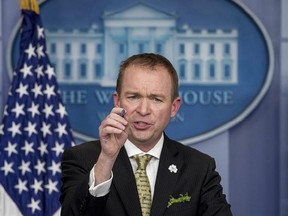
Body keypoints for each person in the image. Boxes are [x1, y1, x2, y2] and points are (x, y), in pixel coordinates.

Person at [60, 53, 232, 216]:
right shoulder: (81, 158)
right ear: (117, 101)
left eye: (156, 99)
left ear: (174, 107)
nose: (143, 110)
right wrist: (106, 159)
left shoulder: (199, 168)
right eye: (134, 97)